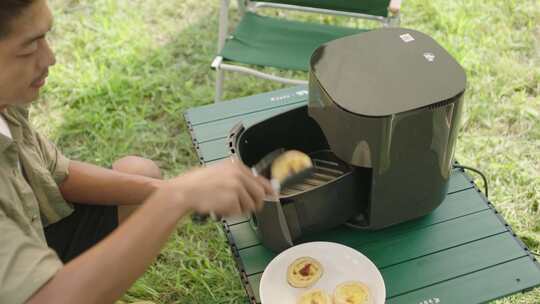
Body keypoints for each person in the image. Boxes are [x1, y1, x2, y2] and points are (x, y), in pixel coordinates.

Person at [0, 0, 274, 303]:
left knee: (139, 175)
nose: (50, 58)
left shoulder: (6, 104)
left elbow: (58, 175)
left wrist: (163, 189)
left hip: (34, 233)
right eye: (28, 48)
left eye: (46, 38)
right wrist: (175, 198)